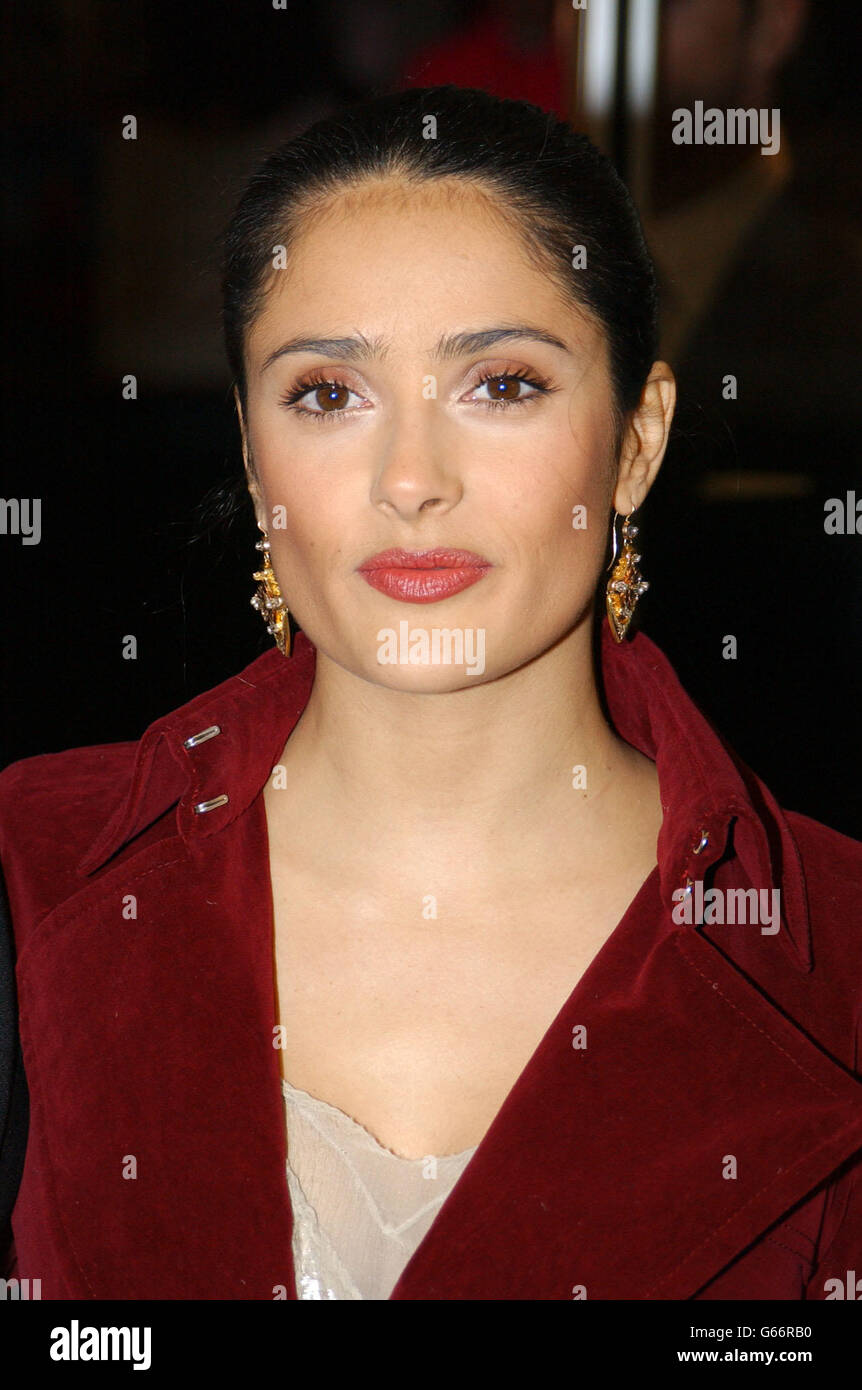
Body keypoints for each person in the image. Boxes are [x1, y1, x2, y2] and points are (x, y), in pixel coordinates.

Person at [1, 85, 861, 1301]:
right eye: (327, 394)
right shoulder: (34, 867)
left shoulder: (833, 950)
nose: (411, 478)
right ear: (253, 459)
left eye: (501, 384)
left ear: (638, 440)